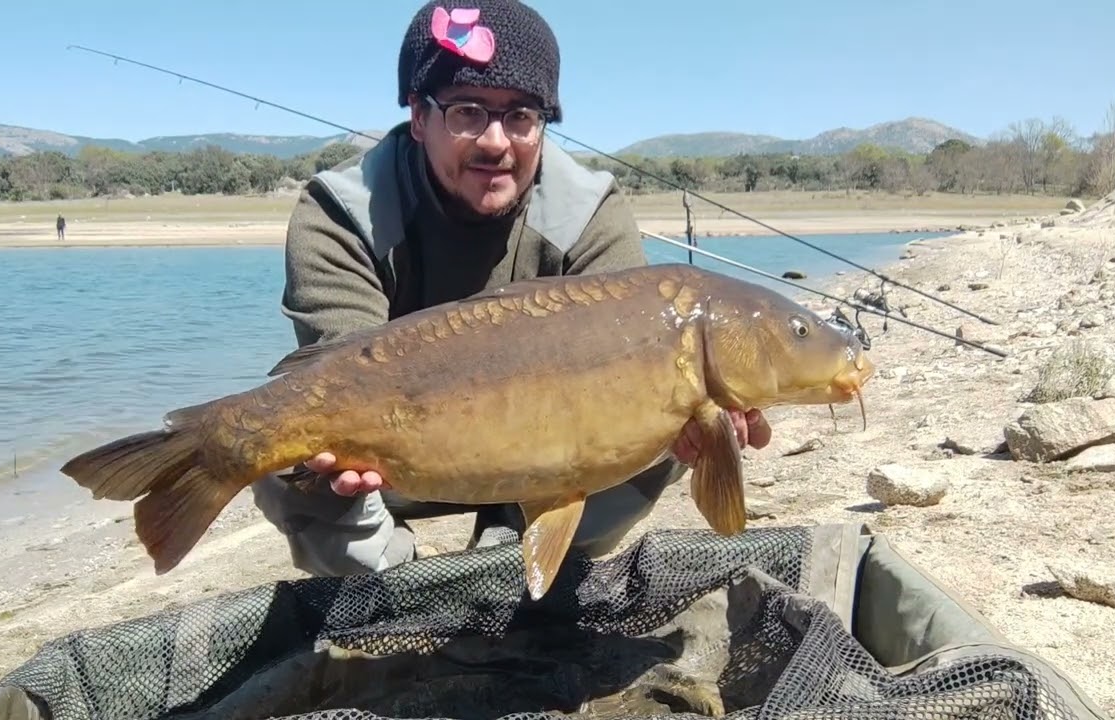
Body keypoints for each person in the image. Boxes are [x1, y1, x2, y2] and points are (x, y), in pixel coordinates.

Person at [250, 0, 773, 577]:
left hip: (548, 448)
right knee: (282, 455)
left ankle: (510, 562)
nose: (497, 142)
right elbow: (345, 371)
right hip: (401, 455)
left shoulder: (587, 210)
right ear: (418, 116)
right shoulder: (342, 211)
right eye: (468, 112)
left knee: (675, 413)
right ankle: (393, 589)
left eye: (521, 116)